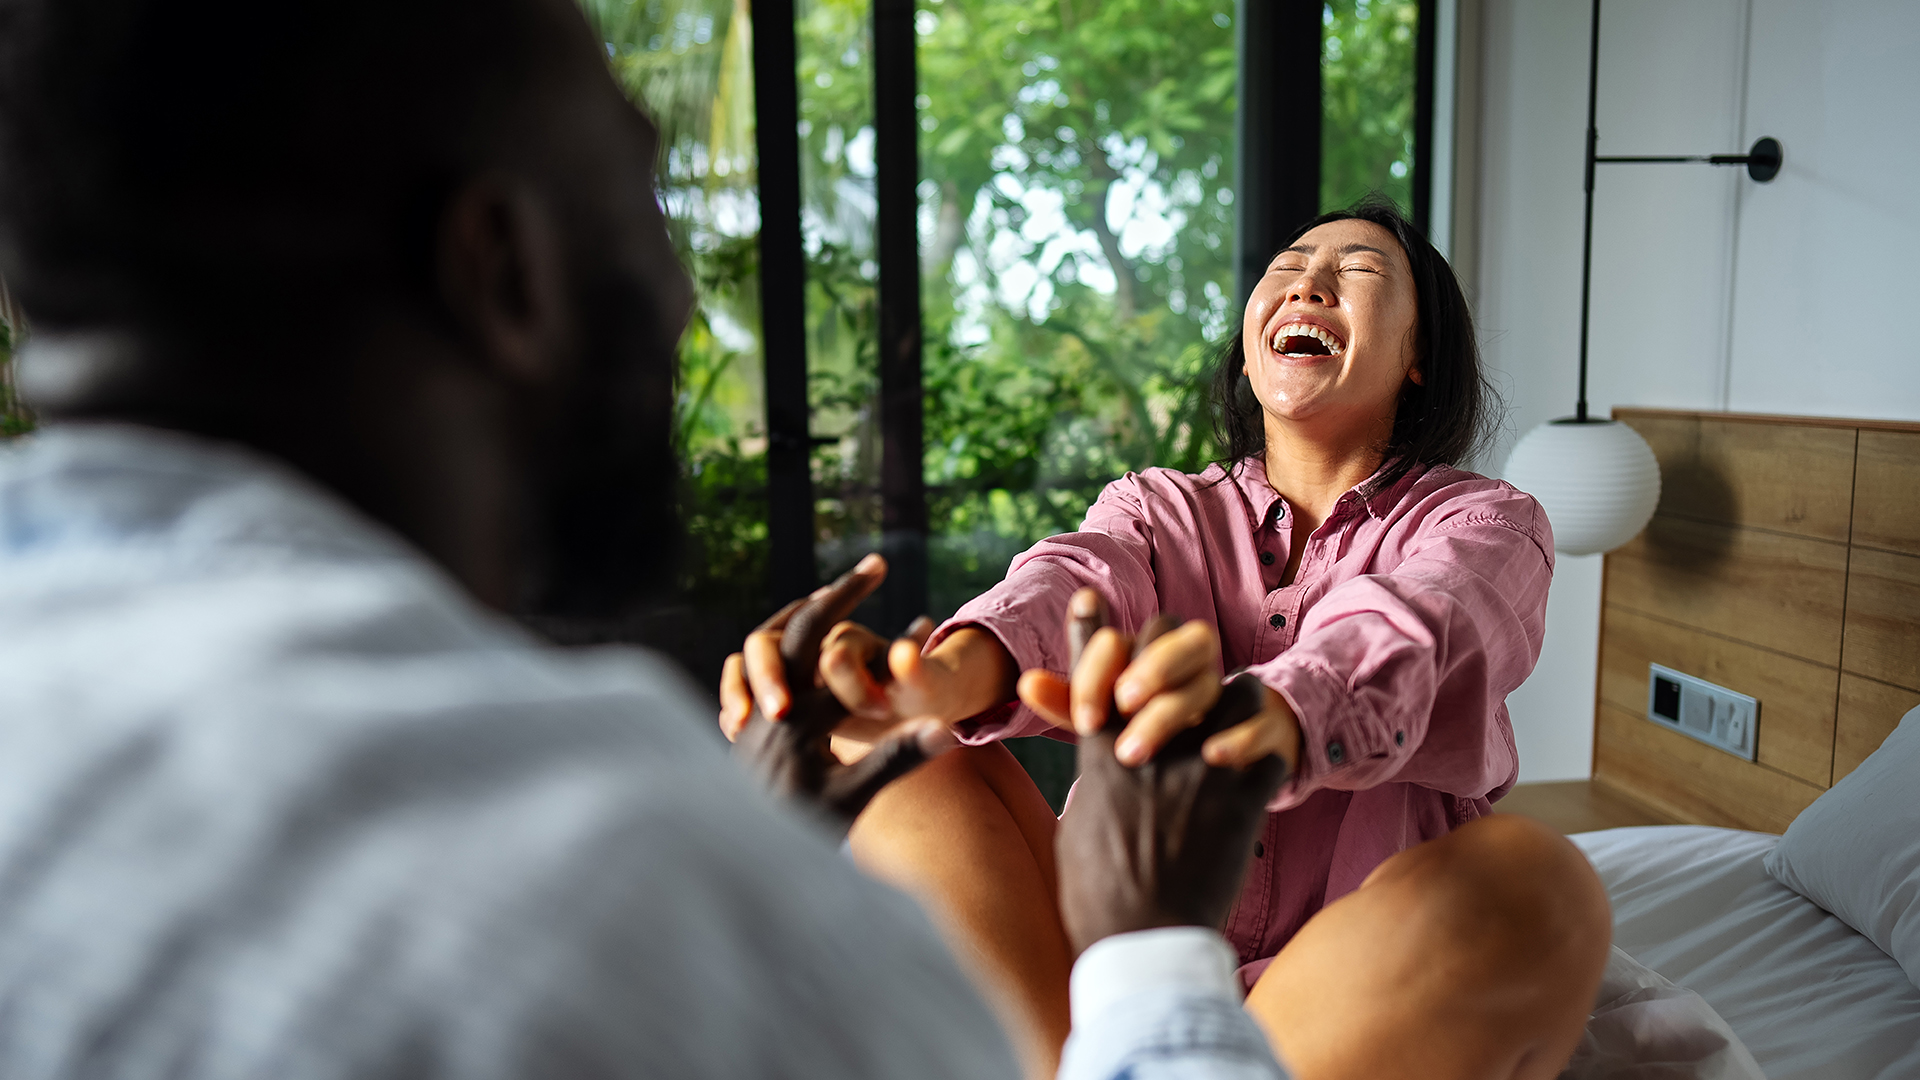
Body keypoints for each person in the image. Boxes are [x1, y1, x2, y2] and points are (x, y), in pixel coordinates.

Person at [0, 0, 1300, 1078]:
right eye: (638, 194)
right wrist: (1148, 955)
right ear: (501, 268)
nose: (682, 295)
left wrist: (749, 833)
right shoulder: (624, 878)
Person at [720, 201, 1616, 1078]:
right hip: (1092, 978)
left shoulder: (1487, 521)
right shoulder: (1158, 507)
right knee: (903, 749)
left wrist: (1271, 714)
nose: (1308, 285)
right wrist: (932, 680)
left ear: (1418, 355)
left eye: (1356, 272)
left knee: (1539, 885)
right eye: (1288, 269)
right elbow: (1076, 582)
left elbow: (1422, 620)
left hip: (1341, 992)